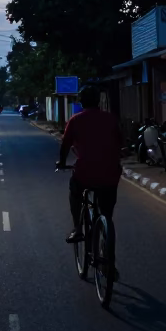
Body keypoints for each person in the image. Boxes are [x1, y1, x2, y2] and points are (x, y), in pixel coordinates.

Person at [57, 85, 122, 245]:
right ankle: (109, 256)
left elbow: (65, 145)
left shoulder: (76, 120)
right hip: (111, 173)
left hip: (85, 173)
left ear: (81, 102)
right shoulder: (111, 118)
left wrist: (62, 162)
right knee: (107, 210)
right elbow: (121, 143)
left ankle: (78, 229)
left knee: (75, 192)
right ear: (98, 101)